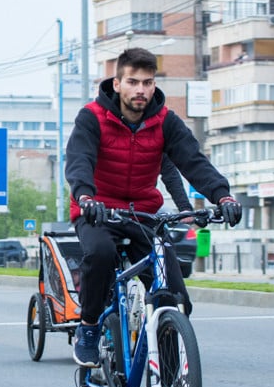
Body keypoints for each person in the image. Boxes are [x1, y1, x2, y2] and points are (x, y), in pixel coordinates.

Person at [65, 47, 242, 370]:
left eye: (147, 82)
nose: (141, 90)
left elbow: (193, 161)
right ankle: (89, 326)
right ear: (117, 83)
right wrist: (86, 197)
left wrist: (222, 196)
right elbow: (79, 161)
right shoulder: (91, 117)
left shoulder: (165, 121)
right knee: (101, 253)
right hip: (99, 211)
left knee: (172, 299)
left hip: (142, 215)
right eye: (133, 82)